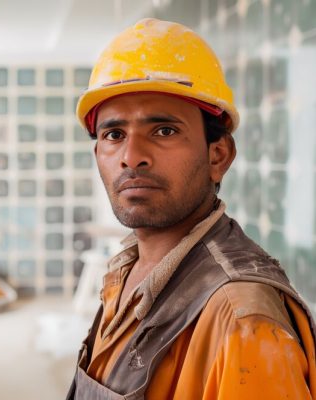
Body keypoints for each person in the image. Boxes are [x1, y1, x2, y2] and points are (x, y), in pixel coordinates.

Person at [67, 18, 316, 399]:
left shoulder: (242, 321)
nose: (131, 157)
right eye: (114, 135)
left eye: (164, 131)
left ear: (219, 155)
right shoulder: (126, 273)